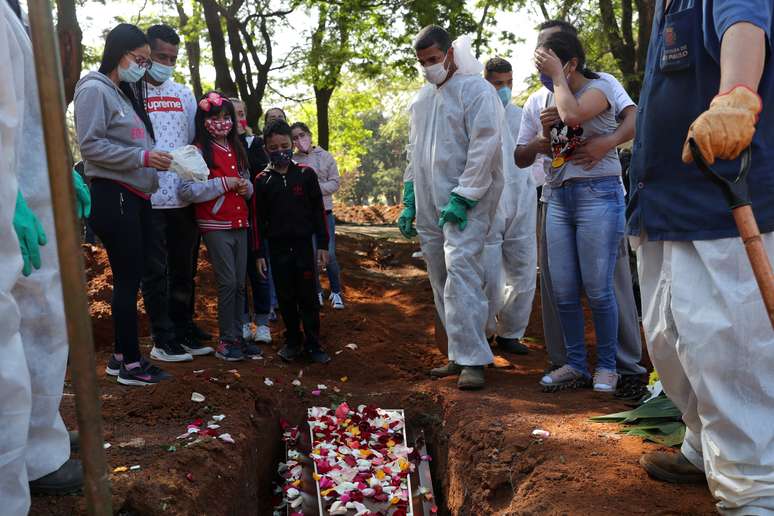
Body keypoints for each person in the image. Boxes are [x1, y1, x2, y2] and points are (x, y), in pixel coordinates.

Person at [629, 2, 774, 512]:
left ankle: (755, 491)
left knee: (729, 350)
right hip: (666, 200)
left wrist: (737, 92)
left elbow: (744, 25)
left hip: (725, 204)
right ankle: (702, 446)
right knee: (670, 338)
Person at [516, 20, 646, 397]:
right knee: (565, 290)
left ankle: (610, 365)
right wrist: (542, 139)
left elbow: (573, 116)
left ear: (569, 63)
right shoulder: (541, 99)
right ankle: (574, 363)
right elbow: (530, 149)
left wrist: (607, 141)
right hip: (557, 197)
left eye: (549, 62)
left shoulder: (601, 86)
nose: (541, 70)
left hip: (598, 195)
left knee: (600, 287)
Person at [1, 0, 88, 510]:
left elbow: (30, 111)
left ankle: (37, 446)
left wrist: (59, 163)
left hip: (31, 187)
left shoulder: (20, 14)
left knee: (43, 314)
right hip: (12, 194)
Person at [398, 26, 503, 390]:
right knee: (439, 277)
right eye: (422, 62)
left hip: (465, 202)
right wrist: (410, 196)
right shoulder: (423, 99)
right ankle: (457, 354)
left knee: (461, 274)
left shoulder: (476, 91)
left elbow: (485, 144)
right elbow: (415, 151)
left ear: (450, 54)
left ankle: (474, 359)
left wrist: (466, 194)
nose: (429, 67)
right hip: (429, 201)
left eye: (433, 59)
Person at [74, 23, 173, 386]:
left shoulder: (122, 93)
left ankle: (120, 356)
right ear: (119, 52)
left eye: (146, 62)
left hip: (135, 195)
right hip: (113, 195)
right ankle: (132, 364)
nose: (143, 68)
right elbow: (91, 146)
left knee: (138, 273)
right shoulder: (93, 89)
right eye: (140, 59)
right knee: (128, 280)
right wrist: (144, 158)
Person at [141, 24, 211, 363]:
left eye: (172, 58)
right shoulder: (130, 92)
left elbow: (197, 141)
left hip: (183, 197)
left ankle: (184, 328)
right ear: (146, 53)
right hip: (148, 198)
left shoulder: (183, 94)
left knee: (184, 269)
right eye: (160, 56)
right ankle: (162, 337)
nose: (166, 63)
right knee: (156, 271)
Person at [178, 91, 258, 362]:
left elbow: (246, 181)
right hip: (215, 224)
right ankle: (226, 340)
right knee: (227, 283)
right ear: (204, 120)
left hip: (240, 221)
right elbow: (188, 190)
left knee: (239, 283)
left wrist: (247, 188)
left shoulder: (237, 147)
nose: (222, 122)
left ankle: (238, 335)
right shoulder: (198, 151)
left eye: (226, 117)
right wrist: (223, 184)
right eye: (215, 117)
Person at [251, 120, 332, 364]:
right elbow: (257, 220)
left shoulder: (306, 174)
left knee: (307, 295)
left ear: (292, 143)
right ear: (266, 148)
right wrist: (258, 254)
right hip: (276, 250)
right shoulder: (262, 180)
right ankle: (292, 341)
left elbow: (319, 212)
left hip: (303, 248)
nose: (280, 151)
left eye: (284, 145)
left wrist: (323, 245)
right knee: (285, 297)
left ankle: (314, 343)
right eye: (273, 147)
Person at [482, 57, 537, 355]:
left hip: (522, 200)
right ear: (486, 82)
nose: (504, 89)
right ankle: (486, 331)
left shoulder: (524, 116)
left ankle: (511, 333)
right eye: (498, 83)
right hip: (489, 203)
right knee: (489, 274)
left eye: (509, 83)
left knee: (523, 269)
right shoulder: (477, 115)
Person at [290, 122, 345, 310]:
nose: (300, 140)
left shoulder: (326, 156)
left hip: (325, 212)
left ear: (309, 134)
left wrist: (313, 190)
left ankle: (336, 291)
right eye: (295, 137)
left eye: (302, 135)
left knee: (328, 253)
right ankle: (317, 291)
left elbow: (335, 183)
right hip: (304, 215)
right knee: (310, 254)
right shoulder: (293, 160)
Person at [232, 97, 272, 344]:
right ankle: (244, 321)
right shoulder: (218, 146)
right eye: (230, 114)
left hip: (255, 218)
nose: (236, 119)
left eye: (240, 113)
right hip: (230, 217)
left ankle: (264, 322)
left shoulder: (254, 142)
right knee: (238, 274)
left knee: (259, 271)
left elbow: (262, 176)